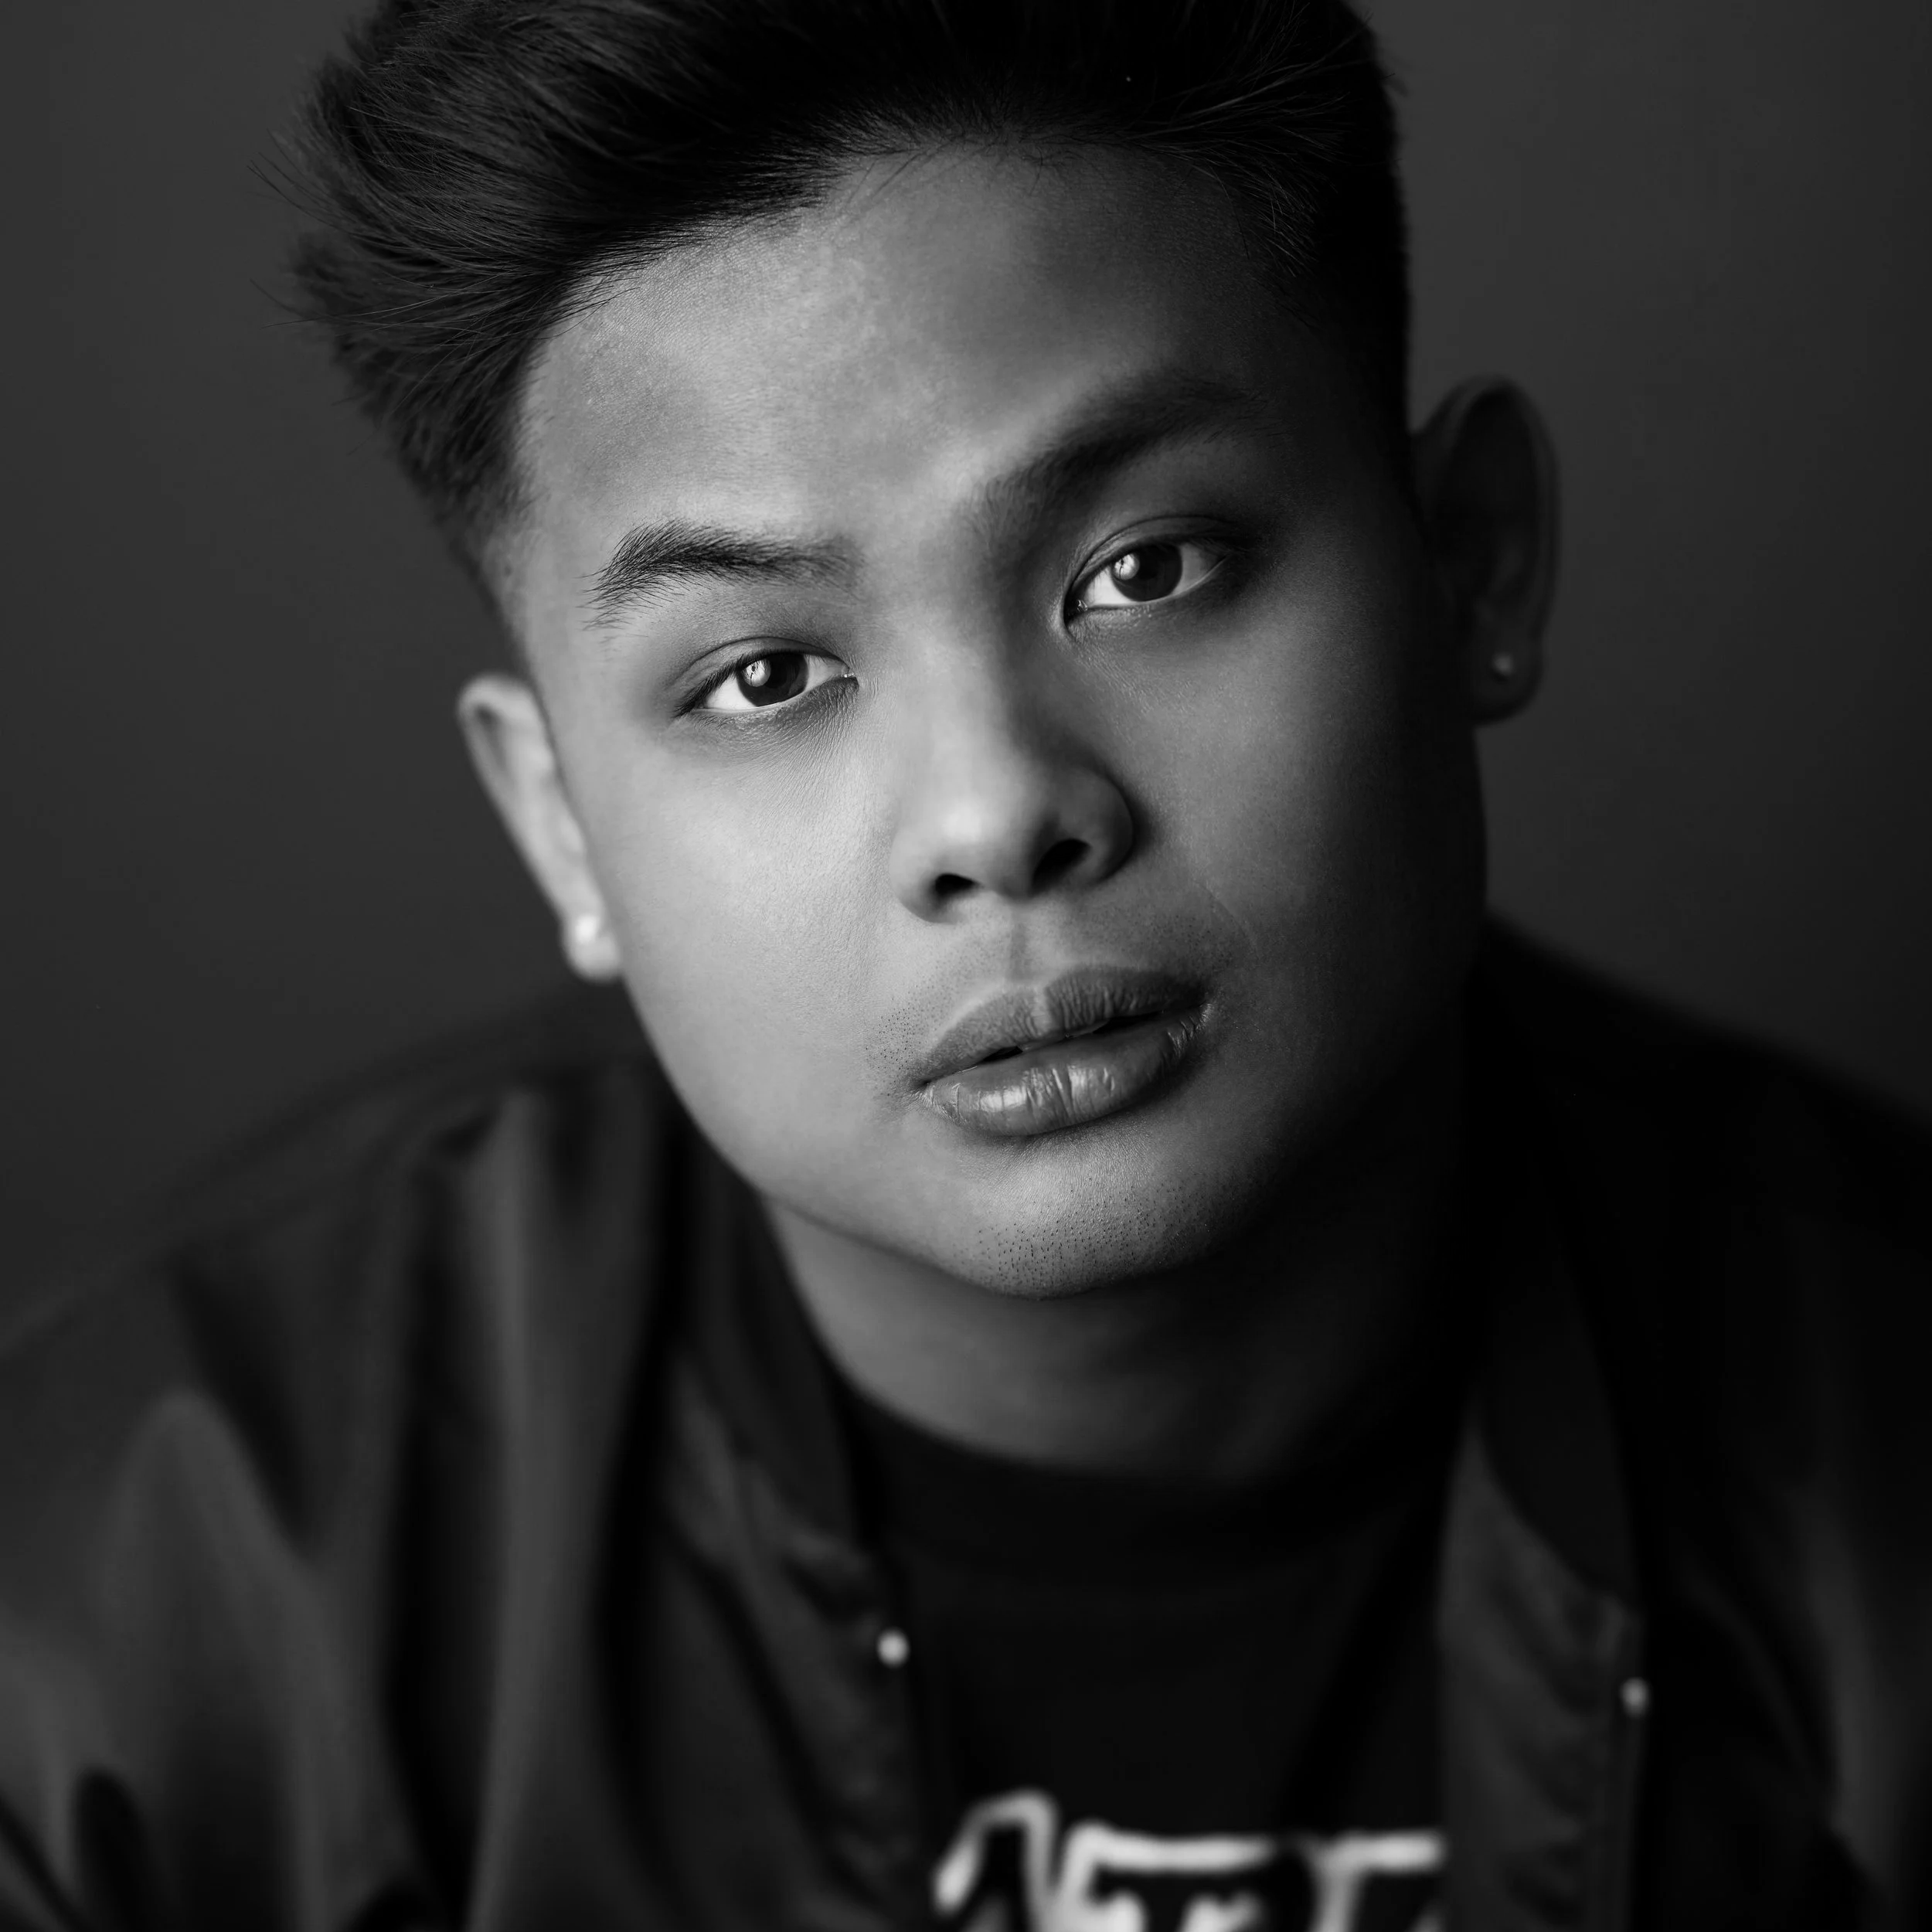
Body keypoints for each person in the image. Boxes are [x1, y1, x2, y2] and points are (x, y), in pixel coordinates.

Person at [0, 2, 1927, 1927]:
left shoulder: (1870, 1479)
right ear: (560, 825)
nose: (995, 814)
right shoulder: (120, 1622)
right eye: (763, 676)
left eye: (1143, 566)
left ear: (1471, 563)